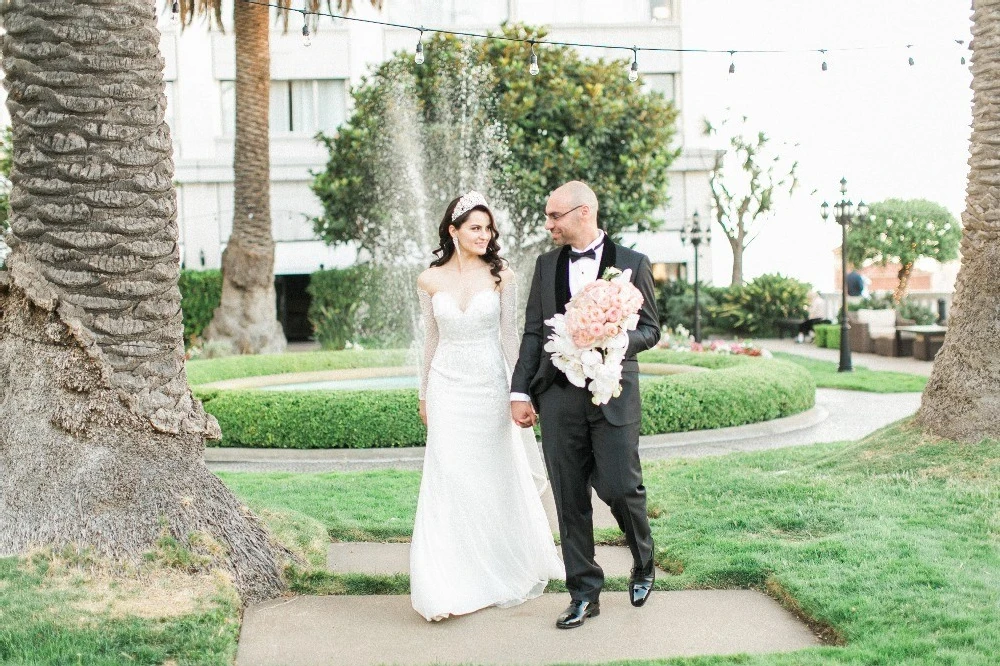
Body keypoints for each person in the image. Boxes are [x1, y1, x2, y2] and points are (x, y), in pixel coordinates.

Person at [510, 181, 661, 629]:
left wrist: (613, 339)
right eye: (547, 216)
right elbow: (534, 333)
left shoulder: (633, 264)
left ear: (583, 213)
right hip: (558, 394)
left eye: (555, 216)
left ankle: (643, 560)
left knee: (619, 486)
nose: (549, 224)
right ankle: (583, 592)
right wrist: (520, 390)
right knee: (568, 494)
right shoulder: (545, 265)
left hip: (612, 392)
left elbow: (650, 330)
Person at [410, 191, 563, 622]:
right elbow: (431, 340)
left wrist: (522, 391)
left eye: (488, 228)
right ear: (453, 231)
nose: (484, 234)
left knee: (492, 476)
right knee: (449, 477)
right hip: (445, 386)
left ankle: (498, 566)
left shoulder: (502, 276)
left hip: (490, 386)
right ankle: (448, 580)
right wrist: (423, 393)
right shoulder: (429, 280)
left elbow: (511, 337)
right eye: (475, 227)